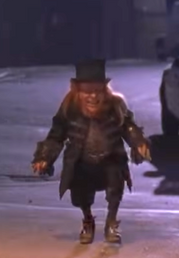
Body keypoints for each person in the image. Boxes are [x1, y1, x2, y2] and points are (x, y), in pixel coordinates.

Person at [31, 59, 152, 244]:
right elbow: (57, 135)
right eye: (87, 92)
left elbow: (128, 126)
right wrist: (44, 157)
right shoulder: (69, 108)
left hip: (111, 156)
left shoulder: (115, 105)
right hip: (81, 159)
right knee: (80, 193)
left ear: (104, 91)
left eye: (97, 91)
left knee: (115, 186)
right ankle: (88, 220)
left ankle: (111, 222)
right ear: (77, 91)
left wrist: (138, 143)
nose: (93, 97)